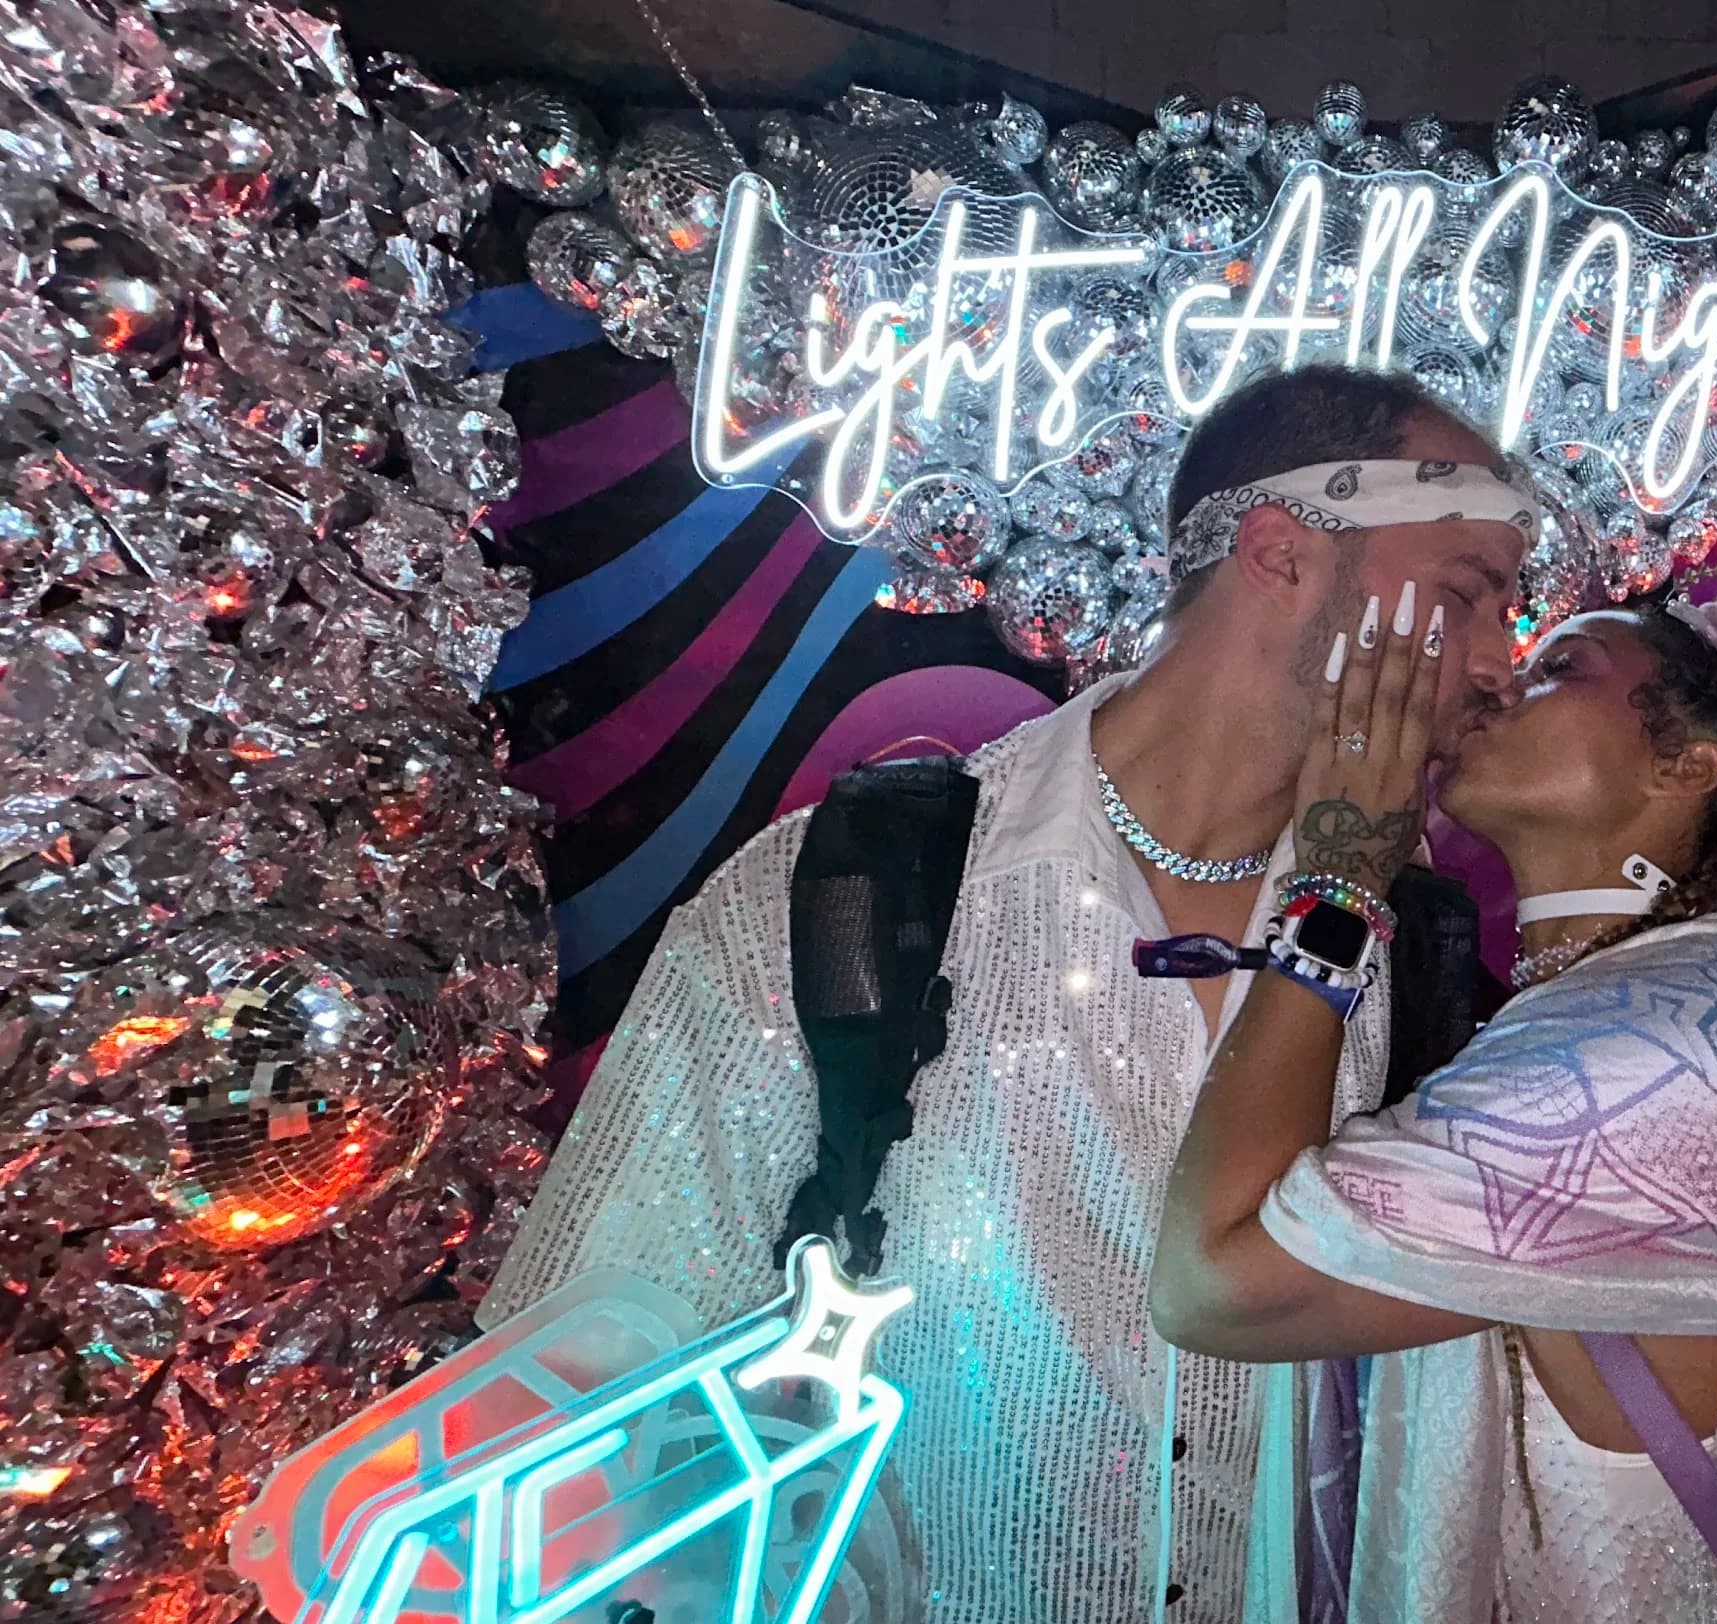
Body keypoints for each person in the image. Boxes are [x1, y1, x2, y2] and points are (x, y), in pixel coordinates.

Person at [479, 366, 1537, 1623]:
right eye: (1467, 594)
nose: (1500, 663)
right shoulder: (853, 888)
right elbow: (576, 1391)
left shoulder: (1412, 949)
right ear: (1279, 552)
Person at [1148, 565, 1717, 1622]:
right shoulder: (1659, 1008)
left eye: (1562, 666)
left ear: (1685, 764)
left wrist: (1338, 887)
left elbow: (1211, 1285)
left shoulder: (1661, 1055)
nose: (1500, 683)